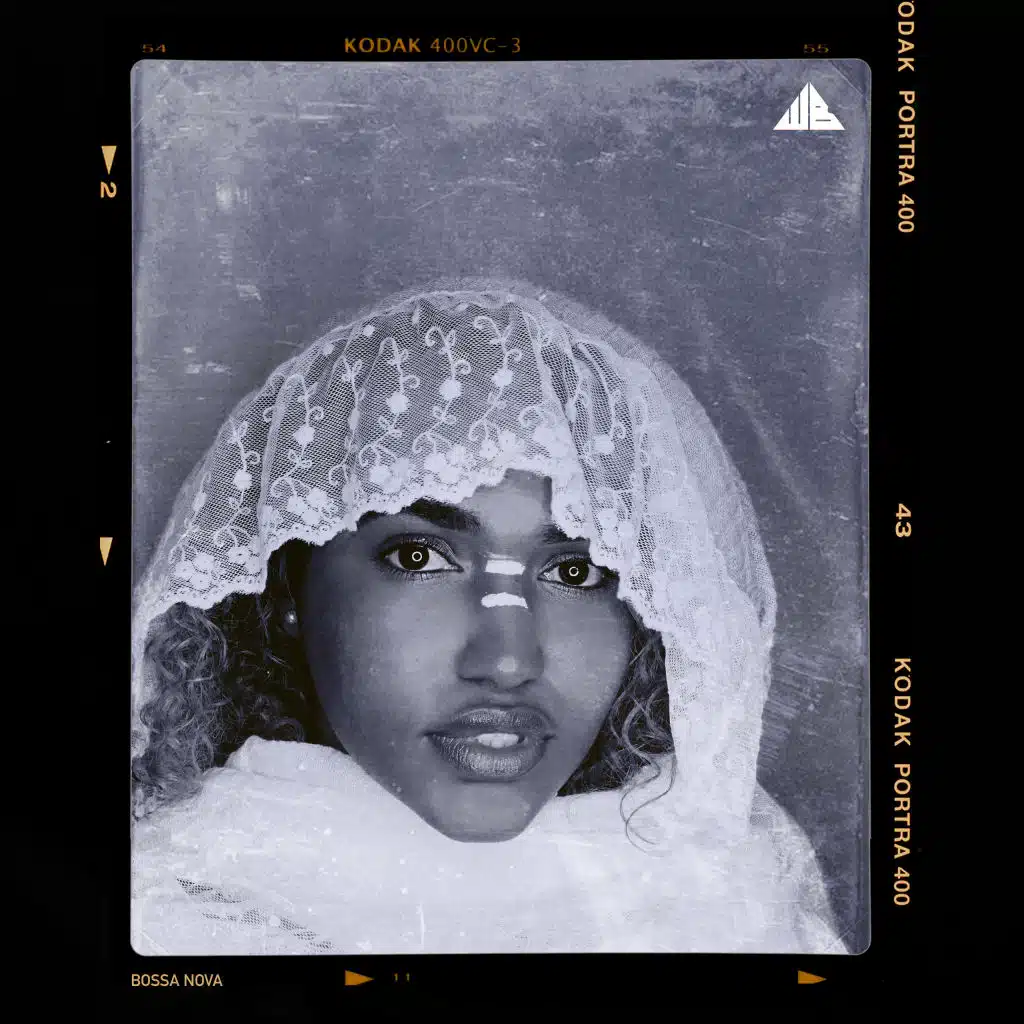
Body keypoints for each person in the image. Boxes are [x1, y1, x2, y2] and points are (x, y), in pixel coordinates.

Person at [130, 281, 846, 955]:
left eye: (575, 572)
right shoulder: (166, 917)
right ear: (287, 587)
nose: (507, 661)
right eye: (418, 558)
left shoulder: (734, 904)